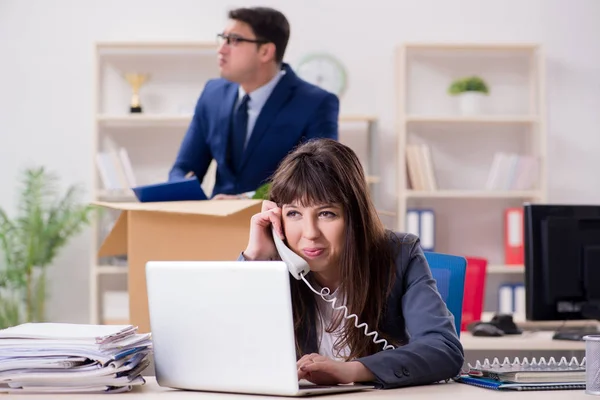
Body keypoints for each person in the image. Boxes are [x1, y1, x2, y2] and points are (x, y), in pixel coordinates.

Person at [239, 138, 464, 389]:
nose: (310, 233)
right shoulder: (274, 266)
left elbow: (444, 349)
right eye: (294, 214)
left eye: (326, 213)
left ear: (354, 217)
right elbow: (224, 347)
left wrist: (351, 370)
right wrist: (254, 260)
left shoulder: (400, 255)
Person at [168, 7, 339, 199]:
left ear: (265, 51)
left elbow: (318, 177)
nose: (221, 49)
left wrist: (247, 198)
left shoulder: (316, 102)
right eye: (222, 38)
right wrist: (180, 190)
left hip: (277, 221)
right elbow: (184, 167)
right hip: (216, 220)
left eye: (234, 40)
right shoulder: (212, 94)